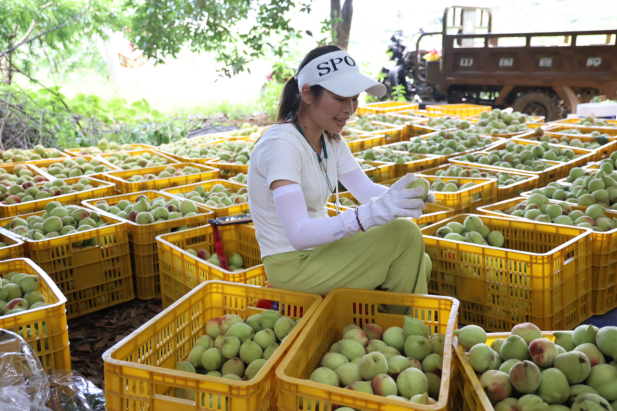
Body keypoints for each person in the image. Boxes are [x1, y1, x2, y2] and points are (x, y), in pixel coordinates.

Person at [247, 45, 435, 312]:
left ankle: (383, 328)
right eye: (340, 98)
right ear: (308, 93)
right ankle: (406, 330)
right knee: (404, 234)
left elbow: (365, 189)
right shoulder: (281, 144)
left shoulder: (328, 140)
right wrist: (366, 216)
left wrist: (400, 197)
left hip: (321, 252)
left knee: (418, 260)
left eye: (354, 99)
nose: (349, 109)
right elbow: (298, 233)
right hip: (293, 265)